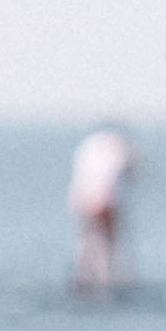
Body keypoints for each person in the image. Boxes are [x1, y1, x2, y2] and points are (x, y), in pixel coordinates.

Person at [67, 126, 136, 294]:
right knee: (109, 244)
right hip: (105, 200)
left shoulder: (88, 146)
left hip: (85, 200)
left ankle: (85, 277)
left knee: (88, 240)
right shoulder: (117, 148)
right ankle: (107, 279)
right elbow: (129, 171)